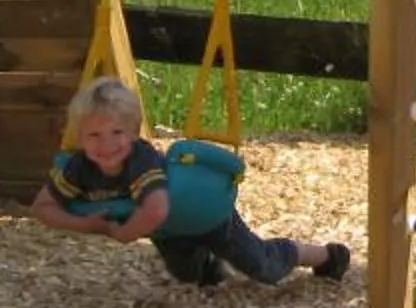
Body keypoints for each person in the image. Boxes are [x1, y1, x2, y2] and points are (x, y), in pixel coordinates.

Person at [30, 75, 350, 288]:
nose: (106, 145)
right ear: (79, 137)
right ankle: (208, 267)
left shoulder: (141, 160)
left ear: (134, 132)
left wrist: (121, 233)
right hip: (168, 232)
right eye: (94, 135)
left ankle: (324, 255)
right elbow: (42, 207)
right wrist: (92, 226)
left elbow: (155, 208)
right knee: (189, 275)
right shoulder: (78, 167)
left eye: (117, 133)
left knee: (263, 268)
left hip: (207, 215)